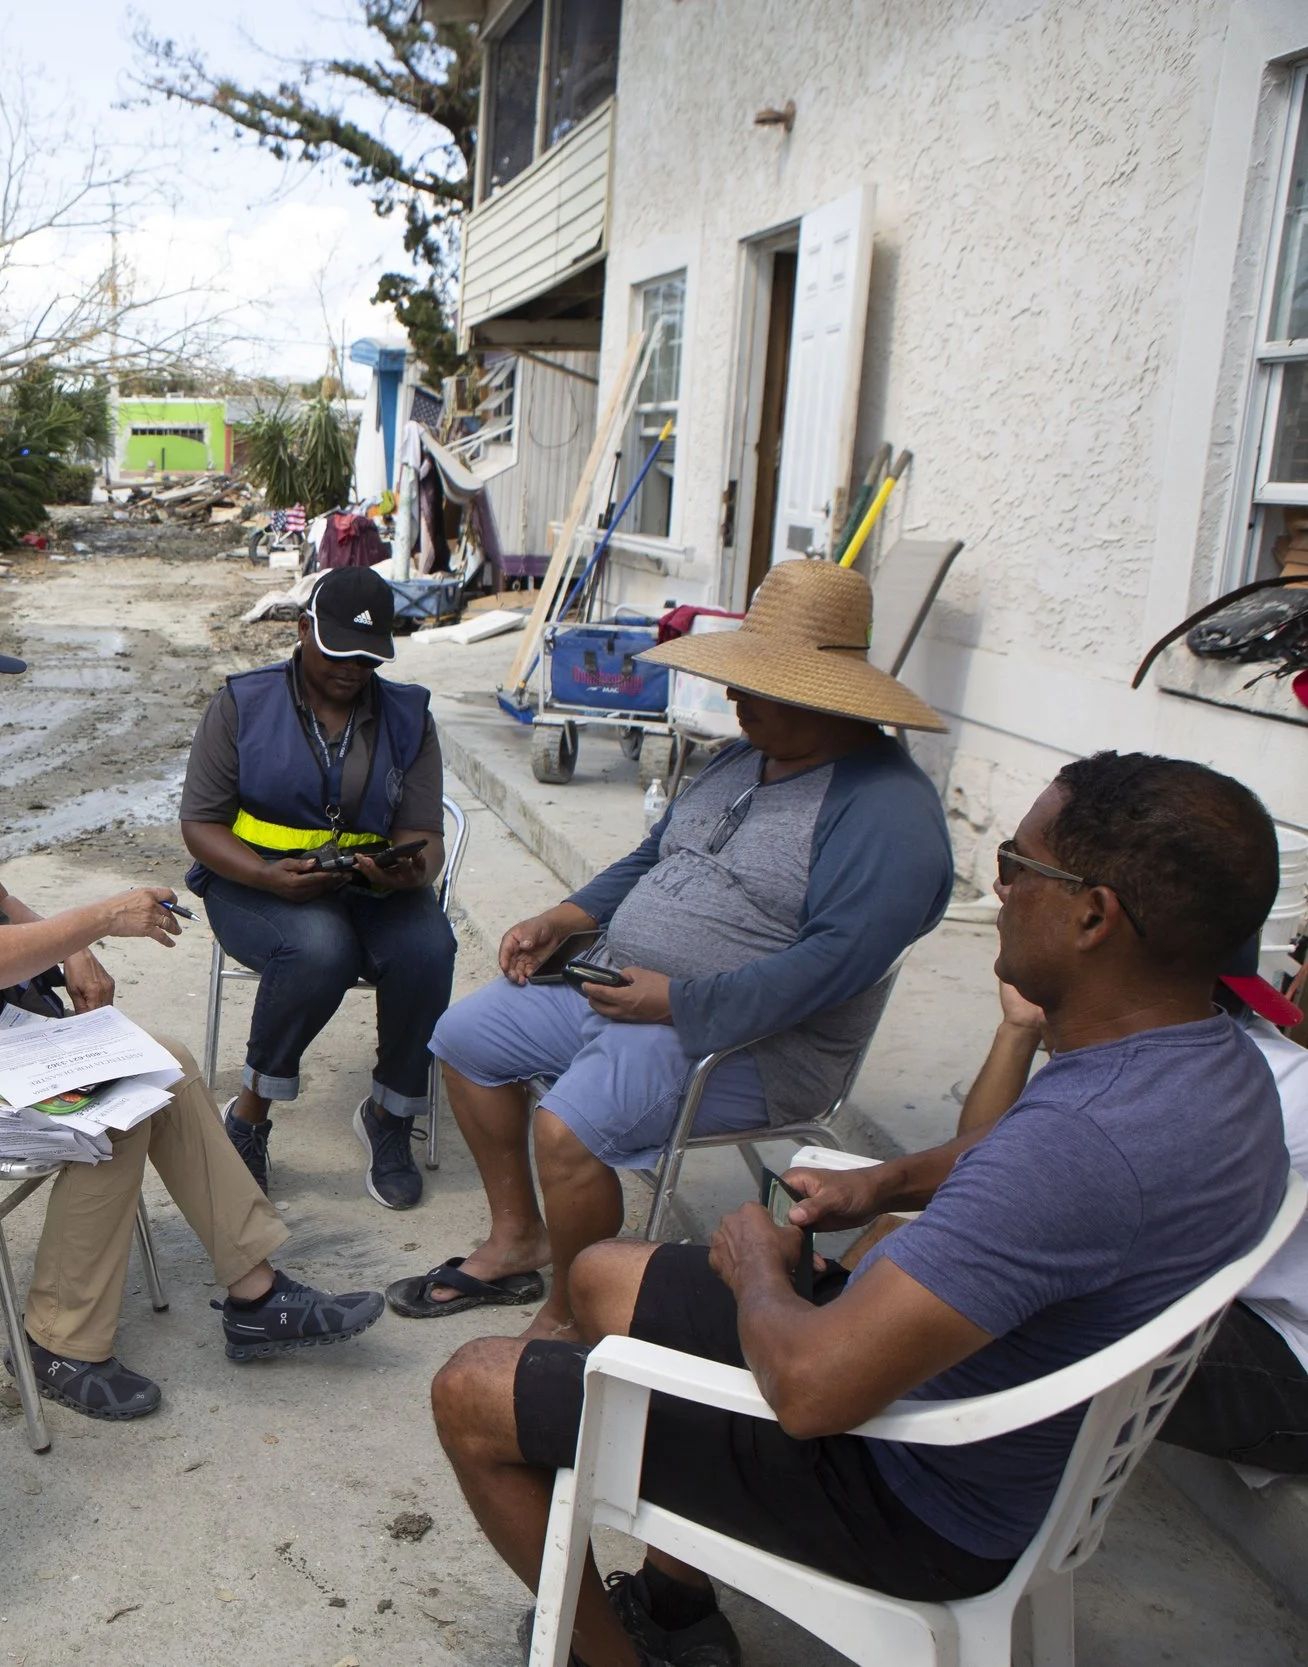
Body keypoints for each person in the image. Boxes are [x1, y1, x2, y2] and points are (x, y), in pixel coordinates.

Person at [429, 750, 1288, 1667]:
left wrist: (756, 1263)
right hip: (983, 1416)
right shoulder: (1214, 1069)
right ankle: (677, 1603)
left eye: (1016, 865)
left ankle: (617, 1659)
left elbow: (809, 1390)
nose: (997, 889)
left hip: (910, 1488)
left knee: (475, 1388)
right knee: (601, 1273)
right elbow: (1017, 1159)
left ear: (1093, 914)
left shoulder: (1079, 1146)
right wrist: (882, 1184)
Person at [0, 613, 382, 1422]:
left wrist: (63, 956)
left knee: (162, 1063)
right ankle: (60, 1343)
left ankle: (255, 1290)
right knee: (111, 1116)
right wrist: (99, 919)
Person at [394, 561, 951, 1336]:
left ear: (822, 695)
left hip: (748, 1045)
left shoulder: (887, 814)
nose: (733, 696)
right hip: (622, 992)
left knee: (567, 1126)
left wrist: (680, 1002)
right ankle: (521, 1234)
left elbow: (831, 967)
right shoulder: (738, 759)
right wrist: (566, 915)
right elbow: (653, 858)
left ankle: (575, 1315)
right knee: (465, 1037)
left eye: (756, 683)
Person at [887, 948, 1308, 1473]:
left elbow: (1007, 1190)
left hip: (1284, 1353)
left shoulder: (1224, 1081)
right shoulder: (1171, 1049)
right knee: (944, 1254)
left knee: (993, 1291)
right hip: (1224, 1295)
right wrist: (1018, 1027)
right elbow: (988, 1166)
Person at [180, 564, 456, 1210]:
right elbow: (199, 824)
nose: (350, 670)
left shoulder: (409, 718)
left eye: (366, 658)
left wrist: (408, 870)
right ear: (304, 630)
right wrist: (264, 873)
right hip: (252, 884)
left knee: (429, 946)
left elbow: (425, 833)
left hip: (371, 888)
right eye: (336, 651)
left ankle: (389, 1116)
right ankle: (248, 1119)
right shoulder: (243, 705)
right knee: (319, 948)